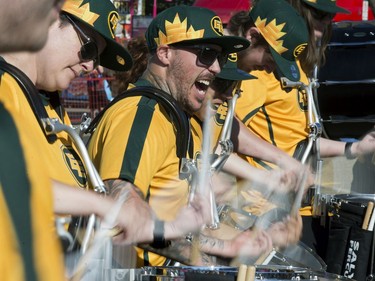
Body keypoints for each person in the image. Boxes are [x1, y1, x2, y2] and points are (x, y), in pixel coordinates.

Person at [88, 2, 312, 267]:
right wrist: (212, 261)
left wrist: (241, 243)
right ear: (165, 53)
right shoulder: (142, 115)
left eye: (218, 57)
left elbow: (169, 225)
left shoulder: (174, 115)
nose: (217, 68)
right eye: (206, 54)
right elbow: (125, 213)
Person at [0, 0, 211, 275]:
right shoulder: (5, 90)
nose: (92, 67)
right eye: (89, 49)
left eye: (97, 58)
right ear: (50, 19)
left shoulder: (49, 104)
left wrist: (166, 229)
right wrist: (107, 206)